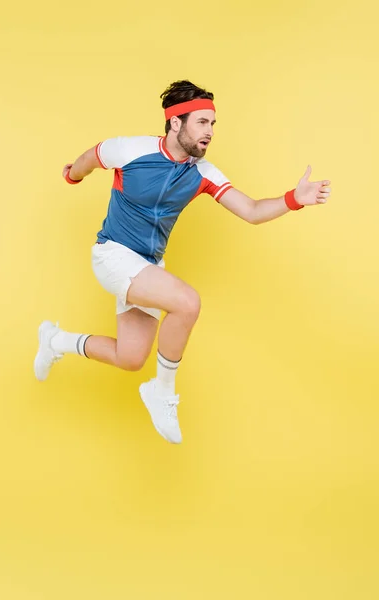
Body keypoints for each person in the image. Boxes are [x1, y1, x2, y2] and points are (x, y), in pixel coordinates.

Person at [34, 79, 331, 444]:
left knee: (130, 357)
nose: (210, 132)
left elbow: (251, 210)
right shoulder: (131, 150)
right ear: (176, 123)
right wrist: (72, 175)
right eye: (202, 123)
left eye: (213, 124)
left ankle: (55, 341)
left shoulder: (203, 173)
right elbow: (90, 158)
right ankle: (162, 391)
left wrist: (293, 199)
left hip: (147, 267)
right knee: (187, 303)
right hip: (113, 254)